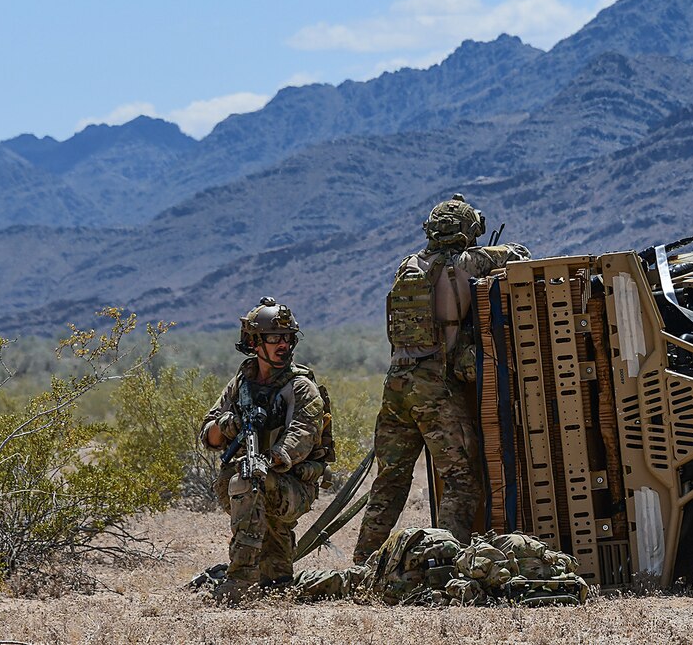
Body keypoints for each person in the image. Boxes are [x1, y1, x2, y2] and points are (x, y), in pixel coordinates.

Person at [353, 194, 530, 564]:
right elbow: (519, 254)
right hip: (433, 387)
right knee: (463, 482)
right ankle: (443, 564)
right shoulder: (467, 262)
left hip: (396, 383)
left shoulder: (409, 264)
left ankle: (363, 563)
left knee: (390, 481)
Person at [200, 297, 332, 604]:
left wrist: (269, 459)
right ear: (254, 342)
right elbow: (209, 435)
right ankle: (273, 579)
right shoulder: (241, 383)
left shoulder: (301, 387)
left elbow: (301, 438)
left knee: (248, 481)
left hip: (293, 485)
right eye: (275, 338)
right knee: (276, 581)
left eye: (288, 337)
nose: (284, 344)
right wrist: (227, 424)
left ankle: (241, 581)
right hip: (255, 480)